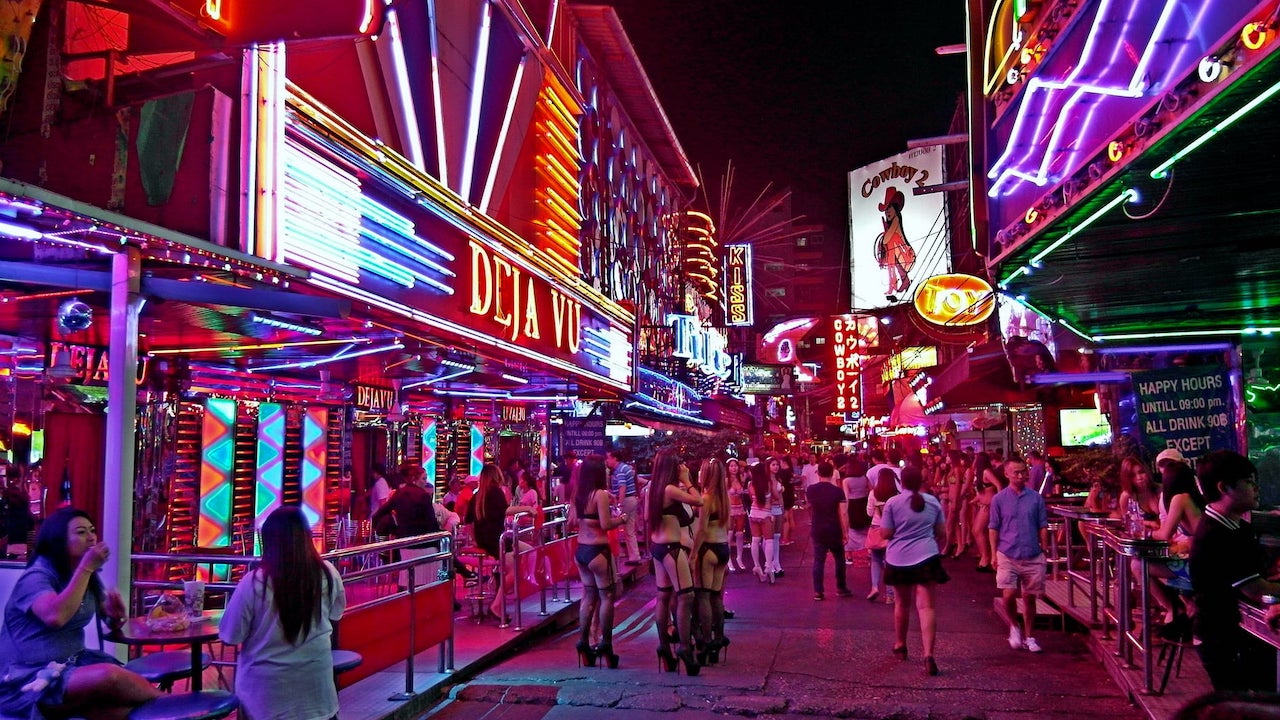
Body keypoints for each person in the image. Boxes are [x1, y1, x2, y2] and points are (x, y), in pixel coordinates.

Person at [0, 507, 161, 720]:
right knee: (109, 676)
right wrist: (86, 568)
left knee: (115, 710)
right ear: (58, 539)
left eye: (92, 530)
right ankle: (175, 706)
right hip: (26, 679)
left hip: (70, 665)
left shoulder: (83, 574)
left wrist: (116, 616)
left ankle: (171, 710)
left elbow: (110, 620)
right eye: (81, 532)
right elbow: (56, 616)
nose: (91, 537)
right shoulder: (36, 577)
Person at [220, 506, 347, 720]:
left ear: (269, 541)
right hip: (318, 697)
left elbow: (230, 635)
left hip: (263, 701)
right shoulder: (328, 573)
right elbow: (336, 614)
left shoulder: (254, 582)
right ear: (307, 538)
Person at [1190, 450, 1280, 692]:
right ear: (1224, 488)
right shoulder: (1219, 534)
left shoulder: (1234, 526)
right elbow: (1256, 590)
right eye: (1249, 482)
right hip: (1223, 638)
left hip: (1230, 633)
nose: (1256, 488)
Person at [879, 466, 947, 676]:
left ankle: (901, 644)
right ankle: (928, 655)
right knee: (927, 608)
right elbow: (941, 532)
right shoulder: (933, 502)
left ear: (902, 482)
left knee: (902, 603)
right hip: (927, 556)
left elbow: (886, 533)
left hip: (898, 558)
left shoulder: (892, 503)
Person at [647, 448, 702, 675]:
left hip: (657, 547)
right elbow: (699, 501)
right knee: (686, 595)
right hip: (672, 548)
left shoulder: (652, 489)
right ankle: (684, 648)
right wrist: (687, 479)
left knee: (663, 596)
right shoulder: (670, 489)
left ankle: (663, 647)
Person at [570, 455, 627, 669]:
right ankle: (606, 644)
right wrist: (621, 520)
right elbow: (605, 524)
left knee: (588, 596)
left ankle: (583, 642)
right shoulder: (600, 495)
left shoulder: (580, 494)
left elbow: (572, 522)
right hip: (598, 551)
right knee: (607, 596)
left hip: (581, 550)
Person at [988, 459, 1049, 654]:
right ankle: (1014, 625)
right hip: (1007, 552)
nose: (1021, 476)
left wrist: (1044, 548)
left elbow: (1042, 525)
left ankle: (1030, 636)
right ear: (1007, 474)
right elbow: (993, 528)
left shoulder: (1035, 498)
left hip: (1032, 552)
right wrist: (993, 553)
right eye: (1016, 473)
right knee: (1008, 595)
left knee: (1030, 598)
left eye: (1023, 472)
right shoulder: (999, 499)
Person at [465, 463, 537, 621]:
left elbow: (468, 522)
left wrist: (475, 539)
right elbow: (506, 510)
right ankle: (496, 605)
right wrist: (528, 510)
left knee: (526, 550)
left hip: (486, 539)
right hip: (497, 538)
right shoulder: (495, 492)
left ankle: (505, 578)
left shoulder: (477, 496)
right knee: (515, 569)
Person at [371, 463, 441, 588]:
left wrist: (393, 530)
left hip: (405, 543)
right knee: (446, 547)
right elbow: (432, 524)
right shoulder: (423, 495)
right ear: (414, 479)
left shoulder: (399, 494)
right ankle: (452, 587)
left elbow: (377, 515)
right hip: (424, 544)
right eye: (424, 479)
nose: (426, 482)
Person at [693, 458, 731, 664]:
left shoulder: (706, 498)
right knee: (717, 597)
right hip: (723, 547)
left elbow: (700, 530)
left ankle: (706, 642)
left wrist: (692, 556)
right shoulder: (724, 498)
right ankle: (718, 639)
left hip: (708, 549)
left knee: (703, 597)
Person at [806, 461, 852, 601]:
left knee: (819, 560)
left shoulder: (811, 490)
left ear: (818, 473)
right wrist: (845, 532)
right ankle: (841, 587)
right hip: (834, 528)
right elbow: (843, 513)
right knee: (839, 559)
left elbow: (809, 505)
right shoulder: (838, 491)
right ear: (832, 473)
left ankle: (818, 591)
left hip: (818, 528)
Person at [866, 467, 900, 603]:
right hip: (891, 530)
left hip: (876, 528)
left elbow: (869, 513)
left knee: (875, 560)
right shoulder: (896, 495)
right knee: (889, 562)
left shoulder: (873, 493)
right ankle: (890, 595)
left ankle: (874, 587)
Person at [606, 449, 642, 566]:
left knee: (617, 527)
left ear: (614, 458)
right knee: (630, 529)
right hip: (632, 499)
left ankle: (619, 553)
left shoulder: (620, 470)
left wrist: (619, 504)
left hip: (626, 500)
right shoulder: (625, 467)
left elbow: (622, 487)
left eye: (608, 458)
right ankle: (634, 556)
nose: (607, 460)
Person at [747, 459, 781, 584]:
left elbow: (752, 499)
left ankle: (757, 566)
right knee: (769, 540)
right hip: (766, 514)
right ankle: (768, 567)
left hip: (754, 514)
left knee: (755, 540)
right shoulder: (769, 483)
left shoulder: (750, 484)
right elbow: (776, 497)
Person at [971, 452, 1005, 572]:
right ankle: (986, 557)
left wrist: (996, 503)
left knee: (978, 530)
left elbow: (999, 485)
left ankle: (986, 558)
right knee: (978, 531)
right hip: (983, 505)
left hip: (989, 506)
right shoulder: (980, 473)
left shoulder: (986, 472)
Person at [726, 458, 748, 572]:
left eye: (735, 466)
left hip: (740, 508)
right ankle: (728, 559)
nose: (734, 468)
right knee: (729, 535)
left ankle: (739, 558)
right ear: (728, 468)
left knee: (740, 534)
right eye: (731, 466)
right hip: (729, 509)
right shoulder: (725, 480)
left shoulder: (741, 479)